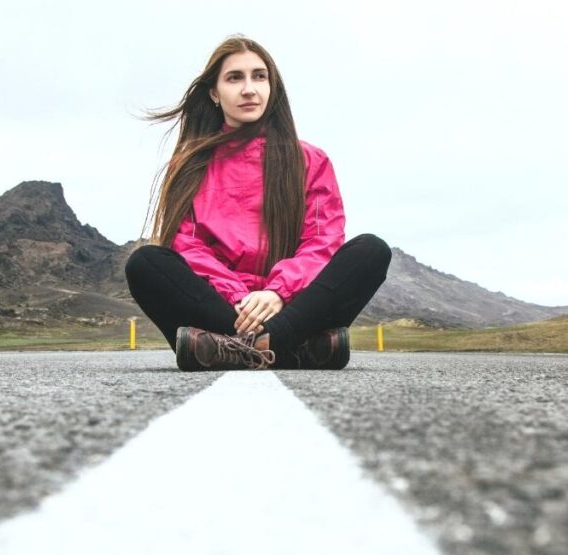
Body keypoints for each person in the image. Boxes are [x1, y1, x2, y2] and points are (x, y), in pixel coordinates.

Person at [125, 34, 391, 371]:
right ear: (214, 92)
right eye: (235, 78)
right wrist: (239, 298)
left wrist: (278, 293)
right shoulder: (191, 165)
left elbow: (322, 242)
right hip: (224, 308)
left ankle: (228, 349)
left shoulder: (310, 160)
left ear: (272, 88)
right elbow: (187, 247)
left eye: (259, 76)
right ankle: (296, 348)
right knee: (145, 263)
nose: (249, 89)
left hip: (293, 303)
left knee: (372, 251)